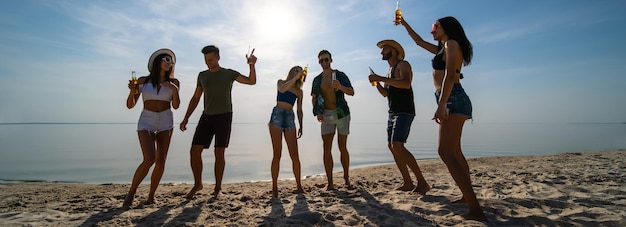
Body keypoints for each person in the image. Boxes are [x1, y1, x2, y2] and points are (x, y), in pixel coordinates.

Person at [400, 16, 486, 221]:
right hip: (450, 98)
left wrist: (441, 106)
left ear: (446, 28)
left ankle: (475, 209)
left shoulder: (451, 44)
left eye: (434, 27)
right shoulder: (443, 47)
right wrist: (404, 24)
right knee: (455, 151)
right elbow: (419, 42)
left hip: (452, 99)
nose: (432, 31)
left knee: (445, 151)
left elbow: (449, 75)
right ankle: (468, 198)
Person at [179, 45, 257, 198]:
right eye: (206, 60)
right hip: (206, 116)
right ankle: (198, 184)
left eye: (211, 59)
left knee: (219, 152)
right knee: (195, 150)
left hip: (224, 116)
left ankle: (218, 188)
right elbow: (195, 98)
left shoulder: (228, 74)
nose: (208, 62)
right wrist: (186, 117)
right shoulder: (202, 75)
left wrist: (252, 65)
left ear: (218, 57)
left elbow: (251, 81)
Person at [368, 40, 431, 194]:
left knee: (397, 145)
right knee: (392, 147)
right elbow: (386, 94)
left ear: (394, 51)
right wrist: (376, 82)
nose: (381, 52)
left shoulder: (403, 65)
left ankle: (422, 182)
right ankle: (408, 182)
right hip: (393, 111)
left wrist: (381, 78)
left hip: (404, 110)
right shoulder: (389, 70)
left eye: (384, 49)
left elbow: (406, 84)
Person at [123, 48, 180, 210]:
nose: (169, 63)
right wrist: (131, 91)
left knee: (161, 161)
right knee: (149, 159)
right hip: (146, 120)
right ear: (158, 62)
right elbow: (130, 105)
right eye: (166, 60)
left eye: (171, 61)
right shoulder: (143, 81)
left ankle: (151, 196)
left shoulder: (174, 83)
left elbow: (175, 105)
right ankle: (131, 193)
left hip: (166, 120)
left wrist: (174, 90)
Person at [311, 50, 354, 190]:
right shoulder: (317, 79)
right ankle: (330, 182)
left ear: (331, 60)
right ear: (319, 62)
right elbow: (314, 97)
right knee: (326, 148)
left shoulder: (340, 75)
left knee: (342, 146)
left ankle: (346, 179)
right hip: (327, 114)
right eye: (321, 60)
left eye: (326, 59)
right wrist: (317, 112)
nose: (324, 62)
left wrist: (340, 87)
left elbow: (351, 92)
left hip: (341, 112)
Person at [269, 66, 305, 198]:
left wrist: (301, 125)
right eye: (295, 70)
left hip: (290, 117)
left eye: (299, 71)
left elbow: (299, 110)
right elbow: (282, 89)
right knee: (277, 154)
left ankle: (299, 186)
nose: (297, 73)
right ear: (291, 72)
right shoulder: (281, 82)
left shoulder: (299, 92)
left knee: (294, 155)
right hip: (277, 115)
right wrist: (296, 77)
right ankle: (274, 187)